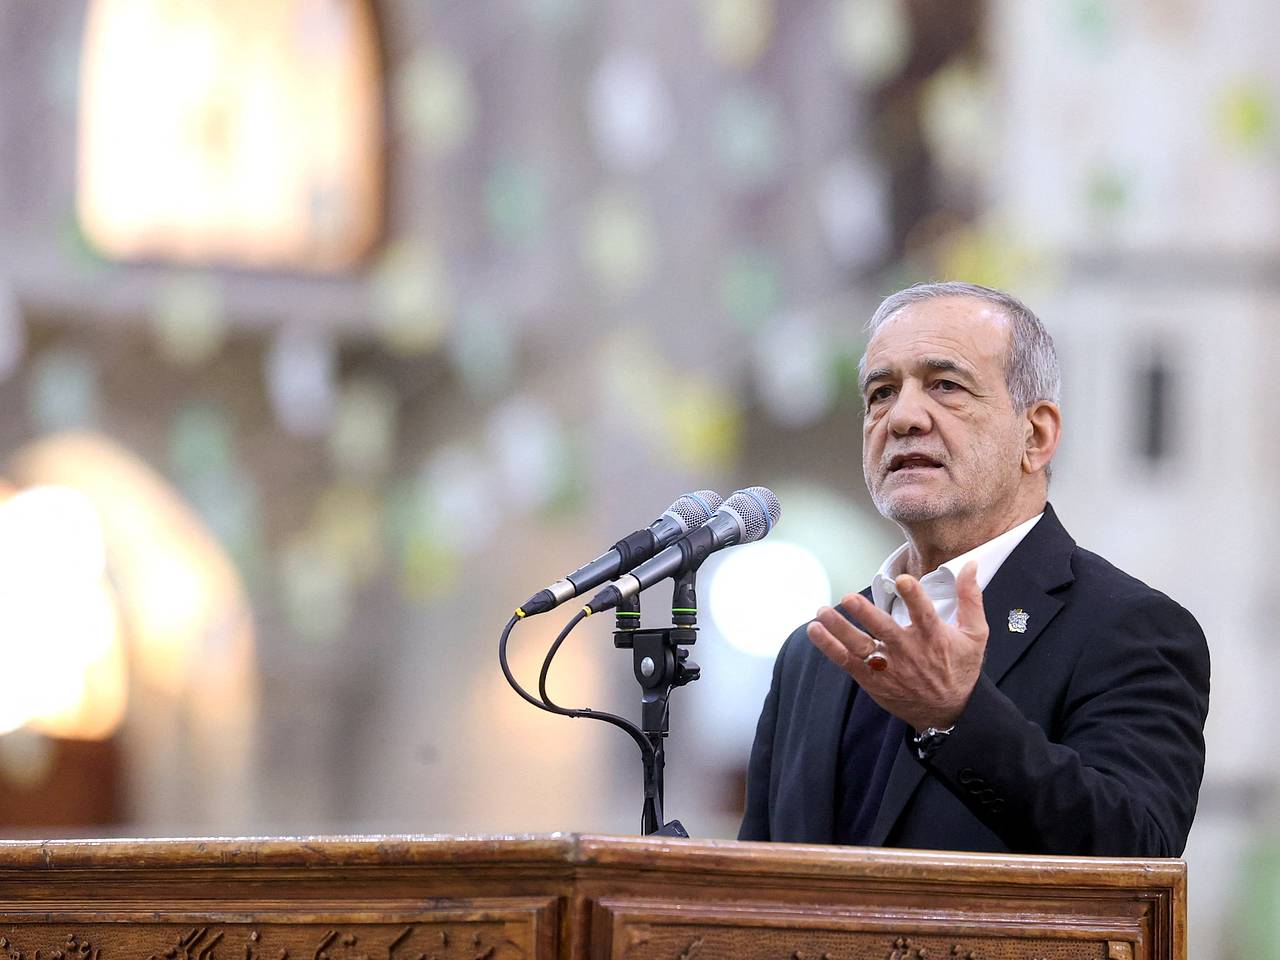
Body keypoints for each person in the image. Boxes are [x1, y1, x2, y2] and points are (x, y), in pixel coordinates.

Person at [738, 281, 1210, 856]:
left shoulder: (1130, 629)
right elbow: (758, 878)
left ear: (1036, 435)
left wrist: (958, 717)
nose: (903, 417)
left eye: (946, 385)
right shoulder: (813, 653)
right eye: (882, 393)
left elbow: (1136, 853)